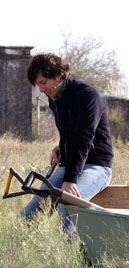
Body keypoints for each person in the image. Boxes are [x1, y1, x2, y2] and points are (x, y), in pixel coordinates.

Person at [20, 53, 114, 233]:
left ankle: (78, 259)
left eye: (43, 83)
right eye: (38, 84)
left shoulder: (87, 95)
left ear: (57, 75)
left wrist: (70, 179)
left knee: (67, 207)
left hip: (97, 167)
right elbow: (69, 132)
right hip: (71, 165)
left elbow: (84, 139)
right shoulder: (55, 98)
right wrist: (60, 148)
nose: (41, 89)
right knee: (32, 211)